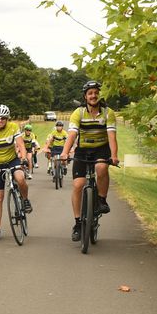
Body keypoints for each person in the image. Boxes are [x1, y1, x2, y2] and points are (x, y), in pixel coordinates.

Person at [59, 80, 119, 242]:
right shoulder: (78, 113)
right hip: (83, 149)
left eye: (96, 93)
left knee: (101, 168)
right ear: (85, 96)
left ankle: (101, 200)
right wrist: (65, 152)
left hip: (101, 148)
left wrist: (114, 156)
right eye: (90, 93)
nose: (93, 96)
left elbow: (112, 137)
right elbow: (72, 135)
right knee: (78, 185)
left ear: (99, 95)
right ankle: (78, 223)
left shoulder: (108, 113)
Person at [0, 104, 32, 240]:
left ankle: (25, 200)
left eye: (3, 118)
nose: (0, 120)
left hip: (12, 160)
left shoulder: (13, 127)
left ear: (7, 118)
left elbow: (21, 145)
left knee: (20, 178)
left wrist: (23, 158)